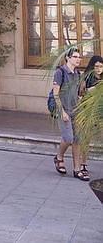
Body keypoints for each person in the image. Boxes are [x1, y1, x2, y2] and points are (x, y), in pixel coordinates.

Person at [52, 47, 84, 180]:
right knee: (69, 138)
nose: (78, 59)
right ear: (68, 58)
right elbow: (55, 94)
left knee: (77, 140)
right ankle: (59, 156)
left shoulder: (78, 74)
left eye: (79, 57)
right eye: (75, 57)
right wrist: (62, 112)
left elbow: (79, 93)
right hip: (64, 110)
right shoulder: (60, 72)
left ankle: (77, 169)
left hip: (76, 110)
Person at [78, 54, 103, 180]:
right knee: (85, 139)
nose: (99, 68)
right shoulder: (86, 77)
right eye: (96, 66)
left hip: (100, 112)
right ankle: (83, 165)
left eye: (101, 66)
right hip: (87, 111)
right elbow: (81, 93)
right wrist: (94, 89)